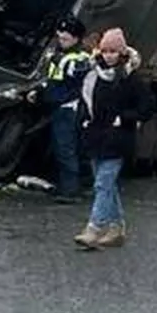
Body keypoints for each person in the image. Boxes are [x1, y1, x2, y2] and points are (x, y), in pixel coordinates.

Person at [73, 28, 153, 251]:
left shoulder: (131, 79)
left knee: (102, 184)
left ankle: (94, 228)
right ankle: (117, 228)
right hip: (96, 136)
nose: (108, 55)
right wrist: (84, 122)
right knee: (107, 185)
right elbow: (86, 103)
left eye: (113, 51)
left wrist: (124, 118)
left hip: (119, 139)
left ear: (121, 53)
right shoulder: (93, 75)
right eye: (105, 51)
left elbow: (147, 108)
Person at [34, 16, 93, 204]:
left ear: (76, 39)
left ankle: (70, 191)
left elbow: (74, 70)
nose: (61, 41)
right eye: (60, 37)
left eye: (66, 38)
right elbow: (53, 80)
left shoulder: (80, 57)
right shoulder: (62, 55)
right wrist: (40, 91)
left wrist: (56, 58)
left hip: (68, 110)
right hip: (57, 107)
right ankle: (73, 185)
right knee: (63, 148)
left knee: (66, 149)